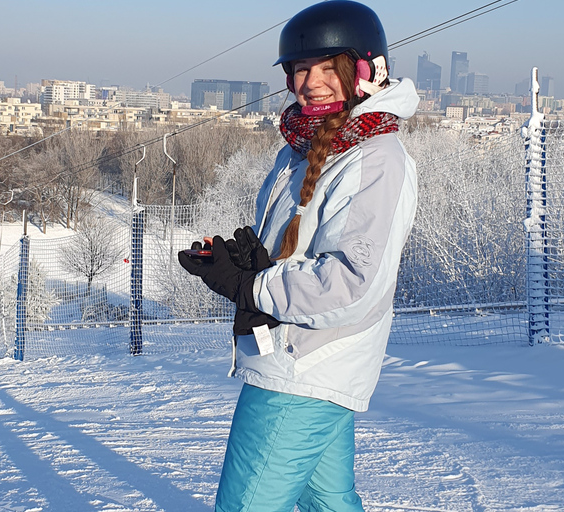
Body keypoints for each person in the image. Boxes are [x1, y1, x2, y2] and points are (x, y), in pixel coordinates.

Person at [178, 1, 420, 510]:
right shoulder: (305, 149)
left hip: (304, 368)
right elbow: (306, 249)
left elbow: (352, 282)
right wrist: (243, 263)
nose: (311, 81)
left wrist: (250, 287)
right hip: (303, 359)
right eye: (300, 69)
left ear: (364, 70)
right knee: (327, 501)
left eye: (328, 66)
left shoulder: (375, 159)